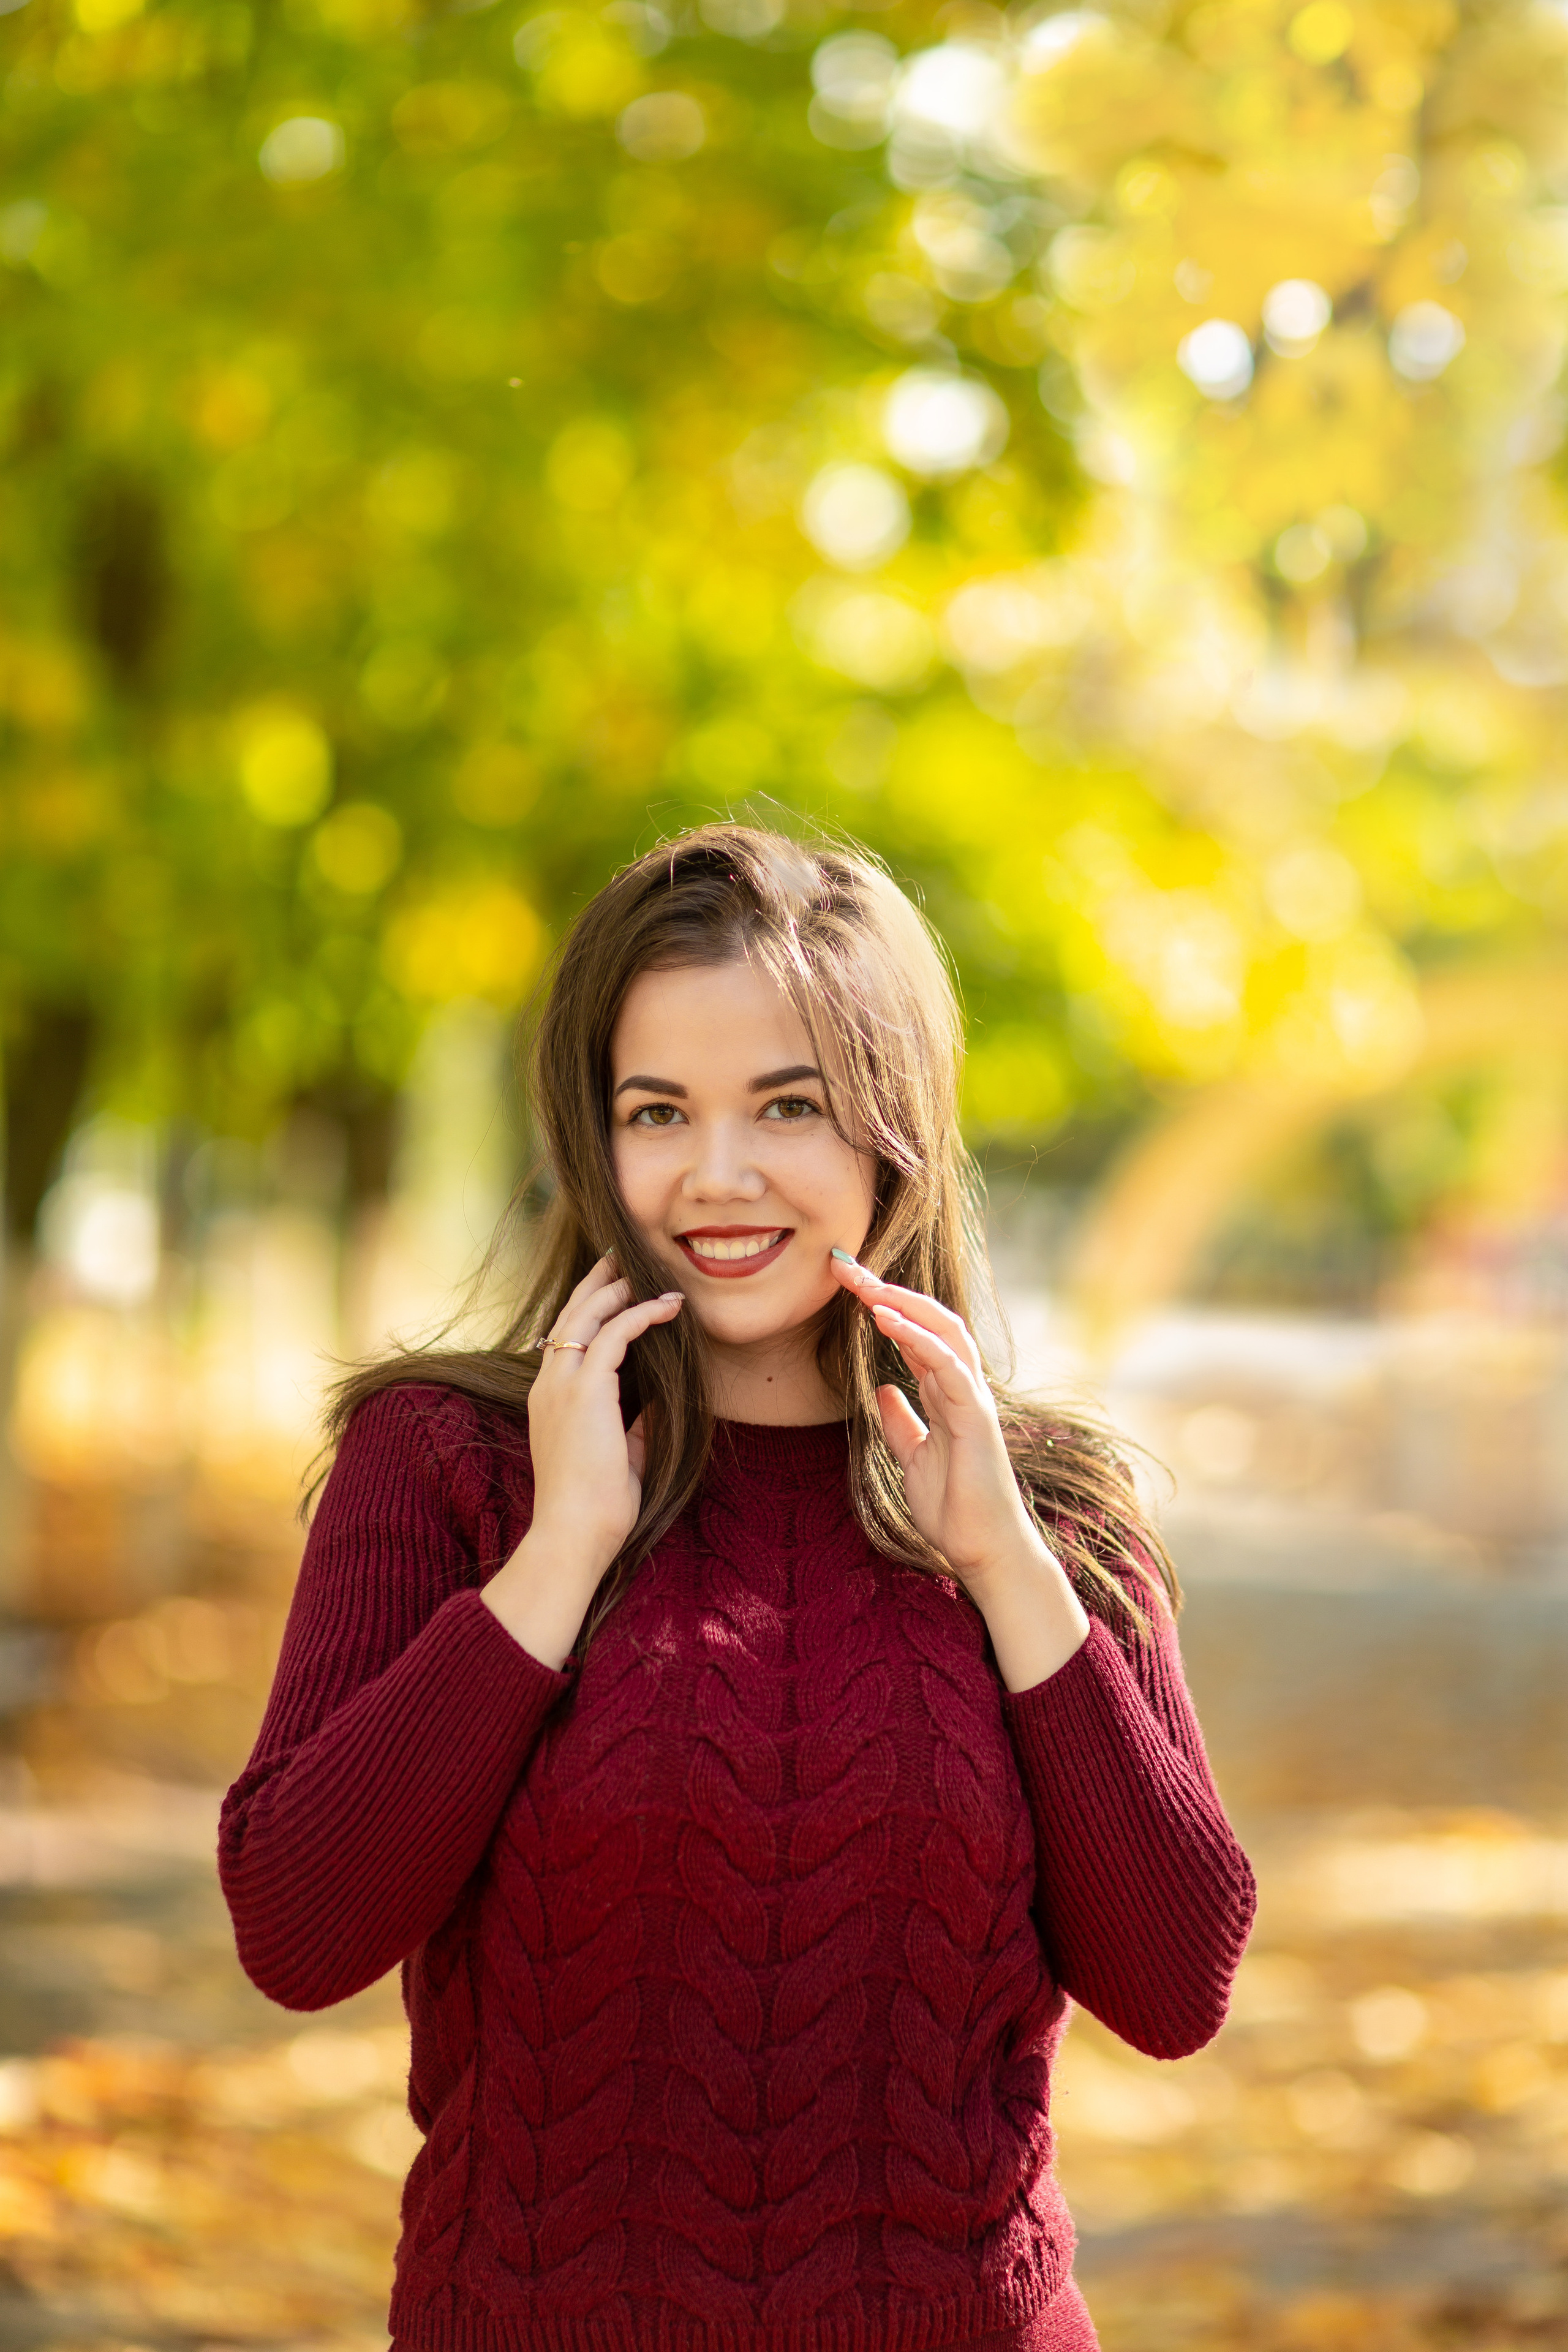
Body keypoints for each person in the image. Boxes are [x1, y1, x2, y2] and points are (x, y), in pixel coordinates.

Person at [219, 824, 1256, 2352]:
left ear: (892, 1127)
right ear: (594, 1137)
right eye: (657, 1113)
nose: (717, 1177)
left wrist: (1005, 1569)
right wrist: (558, 1556)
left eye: (790, 1107)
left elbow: (1173, 1985)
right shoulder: (446, 1464)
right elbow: (298, 1931)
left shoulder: (1049, 1509)